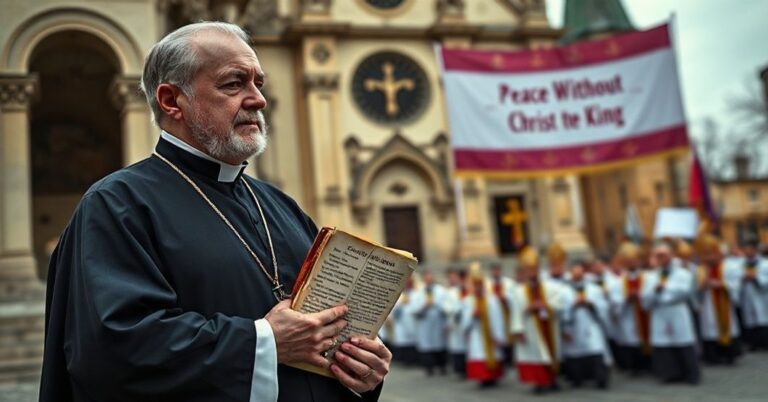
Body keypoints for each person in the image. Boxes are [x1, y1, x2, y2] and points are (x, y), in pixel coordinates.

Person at [39, 22, 390, 402]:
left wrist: (359, 367)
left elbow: (324, 333)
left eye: (259, 83)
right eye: (234, 84)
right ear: (172, 100)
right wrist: (264, 341)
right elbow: (114, 349)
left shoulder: (280, 205)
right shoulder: (116, 205)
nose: (258, 99)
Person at [511, 247, 569, 394]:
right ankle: (539, 382)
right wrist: (519, 327)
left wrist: (545, 305)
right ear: (525, 271)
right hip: (530, 327)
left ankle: (553, 380)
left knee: (551, 352)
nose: (532, 273)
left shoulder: (551, 286)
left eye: (534, 269)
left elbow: (559, 303)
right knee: (535, 355)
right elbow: (516, 312)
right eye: (529, 270)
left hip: (549, 325)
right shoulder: (518, 291)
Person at [641, 243, 700, 385]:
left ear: (671, 255)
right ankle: (669, 374)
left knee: (683, 341)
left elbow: (685, 291)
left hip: (677, 311)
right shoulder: (650, 276)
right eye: (657, 255)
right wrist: (655, 291)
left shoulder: (683, 273)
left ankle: (690, 374)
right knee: (663, 343)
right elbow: (645, 297)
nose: (660, 258)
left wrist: (665, 287)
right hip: (660, 313)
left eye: (663, 255)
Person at [561, 261, 611, 389]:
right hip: (574, 326)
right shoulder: (564, 290)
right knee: (575, 352)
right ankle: (577, 378)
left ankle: (600, 379)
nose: (578, 275)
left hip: (591, 325)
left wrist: (591, 304)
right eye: (575, 272)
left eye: (580, 272)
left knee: (596, 348)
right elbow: (562, 310)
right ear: (571, 273)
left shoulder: (594, 289)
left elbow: (603, 306)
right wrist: (573, 305)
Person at [696, 234, 742, 365]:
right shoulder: (701, 270)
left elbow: (736, 283)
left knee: (727, 326)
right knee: (710, 330)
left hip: (724, 301)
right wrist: (702, 286)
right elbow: (695, 290)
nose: (709, 257)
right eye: (706, 254)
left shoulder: (729, 266)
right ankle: (713, 356)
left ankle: (729, 355)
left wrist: (721, 284)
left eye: (711, 254)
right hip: (708, 304)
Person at [460, 262, 506, 388]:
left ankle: (493, 377)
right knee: (479, 355)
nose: (478, 288)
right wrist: (472, 316)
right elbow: (464, 322)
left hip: (491, 334)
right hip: (477, 335)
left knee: (494, 354)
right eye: (475, 285)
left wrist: (499, 335)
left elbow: (498, 318)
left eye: (479, 284)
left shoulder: (492, 300)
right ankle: (483, 378)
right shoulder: (468, 301)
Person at [609, 242, 651, 375]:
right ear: (625, 263)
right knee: (631, 340)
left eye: (635, 260)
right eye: (629, 261)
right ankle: (635, 367)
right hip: (628, 314)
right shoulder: (618, 281)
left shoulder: (648, 277)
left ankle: (649, 365)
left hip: (645, 313)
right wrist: (626, 299)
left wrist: (641, 295)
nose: (633, 263)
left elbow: (651, 293)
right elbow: (615, 301)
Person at [731, 238, 768, 350]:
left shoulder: (765, 263)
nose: (747, 252)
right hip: (747, 295)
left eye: (750, 249)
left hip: (761, 296)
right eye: (745, 249)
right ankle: (753, 343)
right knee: (750, 320)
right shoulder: (740, 264)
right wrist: (742, 279)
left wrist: (756, 277)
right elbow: (734, 279)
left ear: (755, 250)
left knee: (763, 318)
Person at [411, 270, 448, 376]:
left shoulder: (441, 291)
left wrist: (435, 303)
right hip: (425, 324)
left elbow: (447, 306)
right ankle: (429, 368)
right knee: (427, 347)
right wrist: (424, 306)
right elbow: (414, 309)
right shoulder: (418, 292)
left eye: (430, 277)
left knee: (439, 346)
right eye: (426, 278)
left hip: (438, 323)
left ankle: (442, 366)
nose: (428, 279)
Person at [489, 262, 517, 367]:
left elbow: (514, 297)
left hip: (506, 313)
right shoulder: (487, 283)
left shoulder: (509, 283)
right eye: (494, 270)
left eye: (497, 270)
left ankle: (509, 359)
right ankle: (498, 359)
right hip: (494, 316)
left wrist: (506, 299)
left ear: (500, 271)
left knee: (508, 337)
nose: (496, 272)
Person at [443, 267, 468, 377]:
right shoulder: (448, 292)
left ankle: (468, 369)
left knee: (467, 346)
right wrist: (456, 309)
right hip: (454, 322)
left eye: (454, 277)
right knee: (457, 346)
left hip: (466, 322)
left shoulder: (464, 289)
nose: (452, 279)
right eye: (450, 277)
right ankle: (459, 369)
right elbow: (446, 307)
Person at [390, 277, 419, 366]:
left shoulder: (416, 294)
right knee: (402, 340)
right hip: (400, 322)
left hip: (412, 321)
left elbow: (418, 307)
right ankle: (403, 359)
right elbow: (393, 307)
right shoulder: (398, 294)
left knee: (412, 341)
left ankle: (413, 360)